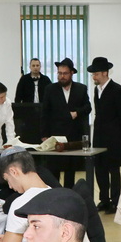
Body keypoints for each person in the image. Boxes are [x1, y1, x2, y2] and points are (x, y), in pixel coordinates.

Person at [41, 57, 91, 187]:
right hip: (55, 135)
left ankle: (69, 194)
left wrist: (77, 113)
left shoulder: (81, 89)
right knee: (53, 171)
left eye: (65, 73)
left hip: (73, 136)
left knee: (70, 171)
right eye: (59, 73)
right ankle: (55, 195)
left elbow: (88, 107)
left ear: (72, 73)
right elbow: (45, 113)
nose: (62, 76)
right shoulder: (50, 89)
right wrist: (44, 134)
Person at [88, 57, 121, 214]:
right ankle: (104, 199)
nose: (94, 77)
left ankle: (115, 201)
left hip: (113, 136)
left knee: (113, 169)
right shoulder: (96, 90)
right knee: (100, 168)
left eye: (96, 74)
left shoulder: (118, 90)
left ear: (105, 73)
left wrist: (119, 135)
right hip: (98, 135)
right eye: (93, 74)